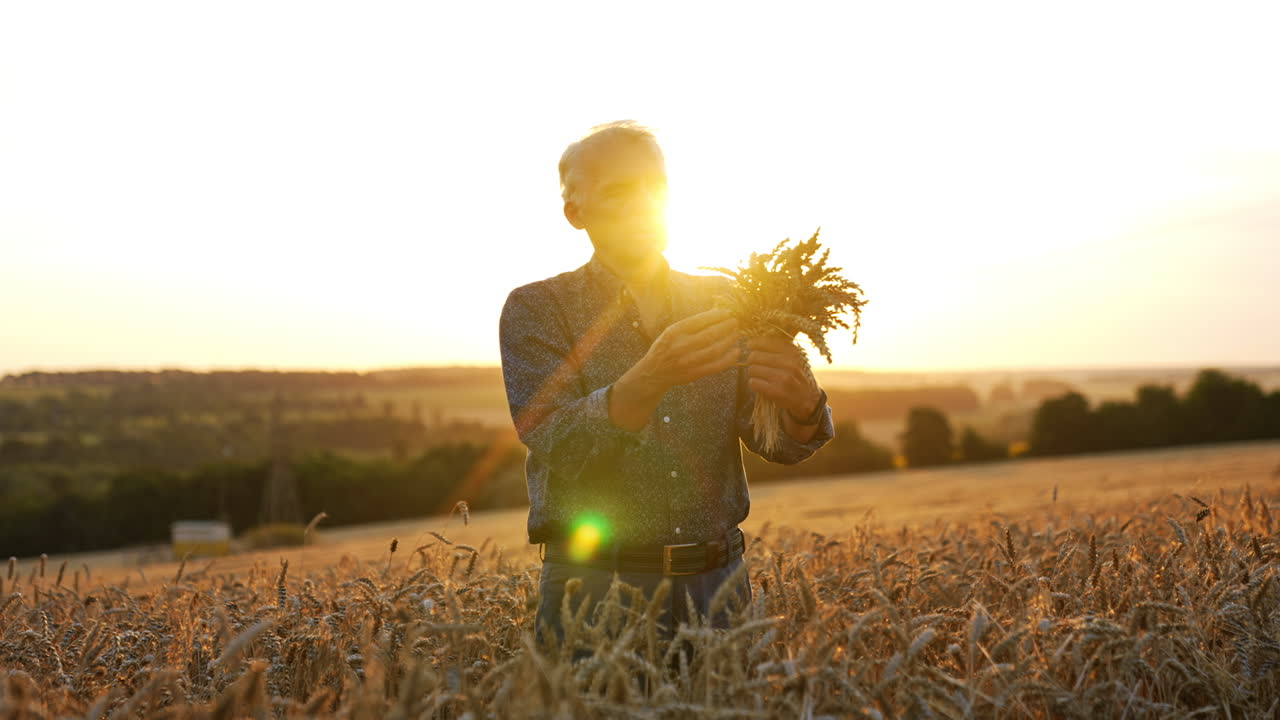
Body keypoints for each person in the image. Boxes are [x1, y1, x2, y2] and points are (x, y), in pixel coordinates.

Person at [499, 120, 834, 653]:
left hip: (720, 590)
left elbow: (777, 445)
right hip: (594, 594)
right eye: (619, 192)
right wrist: (651, 377)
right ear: (575, 213)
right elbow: (555, 439)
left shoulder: (726, 300)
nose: (643, 204)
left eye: (655, 187)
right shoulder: (536, 309)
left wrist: (800, 408)